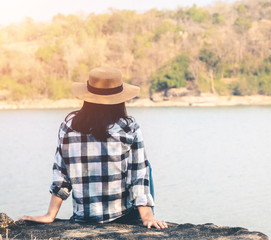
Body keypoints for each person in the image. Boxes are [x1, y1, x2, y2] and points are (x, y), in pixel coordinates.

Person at [18, 66, 168, 229]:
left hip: (84, 217)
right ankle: (145, 214)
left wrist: (50, 215)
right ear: (120, 99)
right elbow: (138, 175)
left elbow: (61, 175)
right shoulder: (128, 128)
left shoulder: (68, 127)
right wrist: (147, 217)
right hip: (123, 217)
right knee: (145, 166)